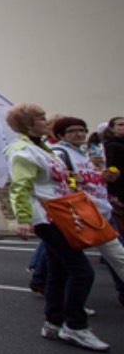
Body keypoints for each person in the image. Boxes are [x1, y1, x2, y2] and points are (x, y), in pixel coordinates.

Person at [6, 104, 109, 351]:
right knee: (82, 271)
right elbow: (20, 187)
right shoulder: (23, 152)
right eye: (41, 119)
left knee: (59, 269)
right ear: (29, 124)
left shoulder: (40, 148)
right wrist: (22, 219)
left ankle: (54, 321)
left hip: (61, 212)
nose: (47, 122)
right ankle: (75, 326)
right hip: (48, 216)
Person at [49, 117, 124, 306]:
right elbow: (61, 180)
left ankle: (61, 304)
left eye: (82, 130)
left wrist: (105, 177)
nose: (79, 134)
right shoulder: (59, 152)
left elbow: (90, 178)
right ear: (60, 135)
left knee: (67, 264)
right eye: (73, 131)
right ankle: (64, 309)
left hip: (100, 209)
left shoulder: (82, 153)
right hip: (83, 212)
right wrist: (74, 179)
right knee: (113, 258)